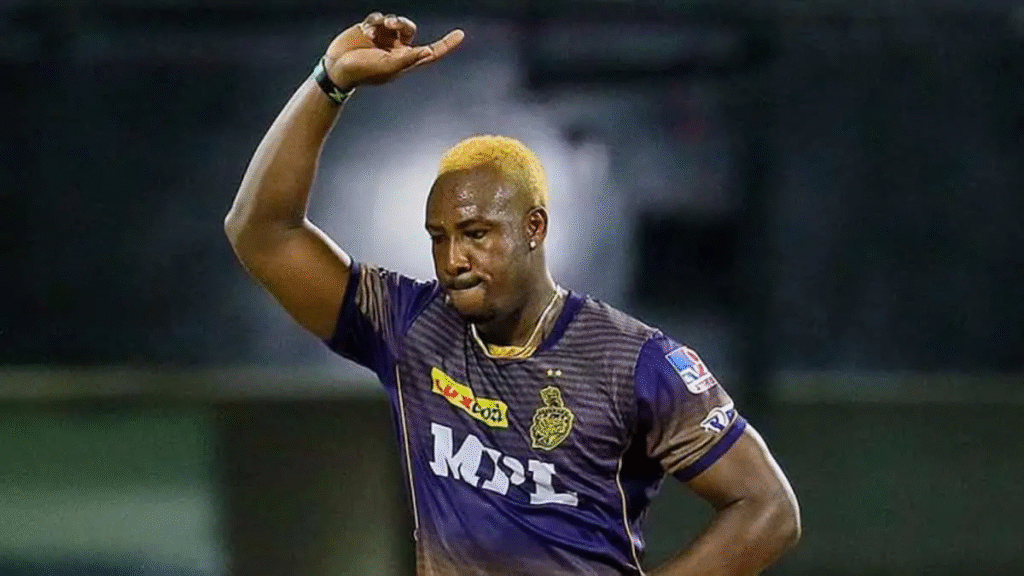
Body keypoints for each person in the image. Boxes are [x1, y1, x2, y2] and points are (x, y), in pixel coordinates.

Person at [225, 11, 800, 576]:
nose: (454, 259)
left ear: (534, 228)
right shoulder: (407, 326)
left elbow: (769, 509)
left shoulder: (635, 362)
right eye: (439, 238)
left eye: (476, 234)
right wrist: (330, 80)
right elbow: (261, 233)